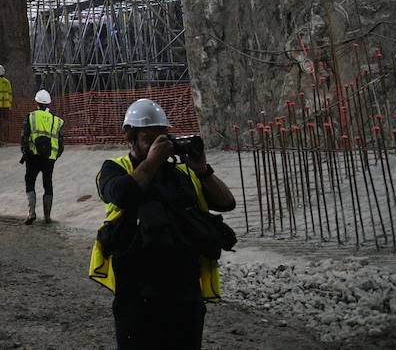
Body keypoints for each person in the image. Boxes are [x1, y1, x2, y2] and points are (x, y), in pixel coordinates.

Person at [91, 98, 236, 350]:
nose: (158, 144)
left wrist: (202, 169)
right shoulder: (115, 168)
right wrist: (152, 161)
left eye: (163, 137)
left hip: (184, 292)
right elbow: (122, 194)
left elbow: (226, 202)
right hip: (136, 295)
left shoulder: (182, 173)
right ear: (130, 138)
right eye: (149, 138)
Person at [20, 89, 64, 224]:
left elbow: (24, 137)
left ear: (36, 102)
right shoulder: (57, 121)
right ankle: (47, 216)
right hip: (49, 158)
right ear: (49, 103)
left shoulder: (31, 117)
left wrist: (25, 153)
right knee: (48, 184)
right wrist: (54, 157)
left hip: (33, 156)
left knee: (30, 181)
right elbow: (61, 143)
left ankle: (31, 213)